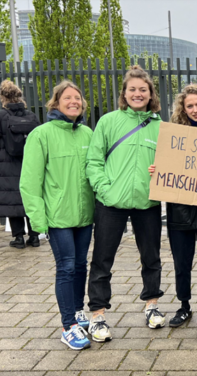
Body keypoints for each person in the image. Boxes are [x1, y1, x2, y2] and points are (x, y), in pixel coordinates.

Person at [86, 65, 164, 342]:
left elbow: (170, 166)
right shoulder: (108, 122)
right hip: (111, 203)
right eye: (132, 89)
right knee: (102, 259)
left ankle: (152, 305)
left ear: (151, 93)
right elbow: (93, 162)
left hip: (147, 203)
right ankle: (97, 314)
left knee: (151, 257)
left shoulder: (160, 127)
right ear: (124, 93)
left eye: (143, 89)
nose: (138, 93)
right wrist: (104, 190)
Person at [20, 80, 94, 350]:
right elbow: (29, 182)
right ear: (56, 103)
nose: (74, 102)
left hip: (85, 216)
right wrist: (39, 221)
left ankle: (77, 311)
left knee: (80, 265)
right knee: (66, 267)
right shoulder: (42, 134)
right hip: (58, 217)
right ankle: (67, 326)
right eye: (68, 98)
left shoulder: (87, 133)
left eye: (78, 98)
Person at [148, 84, 197, 334]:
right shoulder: (173, 136)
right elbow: (165, 166)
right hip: (180, 210)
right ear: (183, 108)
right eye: (189, 106)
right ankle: (184, 306)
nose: (194, 110)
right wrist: (157, 171)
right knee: (182, 263)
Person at [0, 80, 41, 249]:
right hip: (29, 163)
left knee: (12, 198)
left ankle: (18, 238)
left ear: (3, 97)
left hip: (7, 163)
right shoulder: (31, 116)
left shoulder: (2, 115)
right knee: (29, 197)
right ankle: (34, 236)